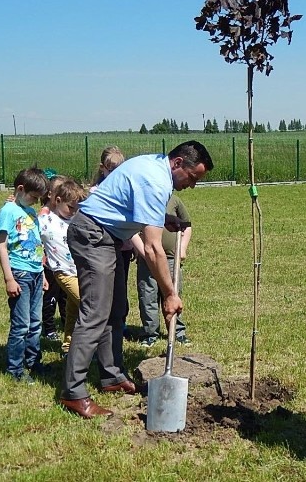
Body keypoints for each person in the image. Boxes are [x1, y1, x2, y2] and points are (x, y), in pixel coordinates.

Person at [59, 141, 213, 419]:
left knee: (116, 311)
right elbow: (153, 249)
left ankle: (112, 375)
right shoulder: (155, 180)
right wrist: (169, 293)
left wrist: (162, 217)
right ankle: (73, 392)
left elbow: (128, 203)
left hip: (109, 237)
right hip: (93, 235)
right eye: (192, 178)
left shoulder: (154, 168)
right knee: (94, 313)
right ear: (178, 163)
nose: (192, 186)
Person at [0, 167, 49, 384]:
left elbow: (37, 244)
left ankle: (33, 361)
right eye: (34, 197)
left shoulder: (29, 212)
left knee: (36, 323)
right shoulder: (8, 211)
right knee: (21, 325)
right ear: (20, 189)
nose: (36, 202)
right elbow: (2, 245)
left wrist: (43, 274)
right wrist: (9, 278)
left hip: (36, 273)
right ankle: (15, 369)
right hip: (20, 274)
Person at [133, 194, 192, 347]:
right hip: (147, 261)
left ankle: (177, 331)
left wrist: (183, 248)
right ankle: (150, 333)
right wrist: (145, 254)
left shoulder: (174, 200)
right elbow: (133, 231)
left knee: (173, 294)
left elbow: (187, 225)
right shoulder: (142, 200)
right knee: (148, 295)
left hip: (171, 259)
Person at [89, 146, 133, 337]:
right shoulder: (96, 192)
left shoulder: (125, 190)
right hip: (104, 249)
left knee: (121, 288)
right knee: (105, 289)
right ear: (102, 168)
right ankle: (105, 325)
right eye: (111, 169)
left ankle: (120, 321)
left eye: (119, 169)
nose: (115, 173)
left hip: (124, 248)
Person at [39, 179, 87, 354]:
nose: (73, 212)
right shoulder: (45, 220)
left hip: (79, 271)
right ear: (57, 201)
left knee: (72, 311)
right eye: (70, 207)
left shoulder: (75, 219)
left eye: (77, 208)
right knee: (87, 304)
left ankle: (68, 347)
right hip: (62, 272)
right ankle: (90, 347)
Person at [39, 174, 68, 342]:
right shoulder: (44, 215)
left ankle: (66, 325)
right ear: (50, 194)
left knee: (65, 298)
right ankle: (49, 329)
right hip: (49, 264)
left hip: (63, 263)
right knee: (50, 297)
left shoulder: (64, 214)